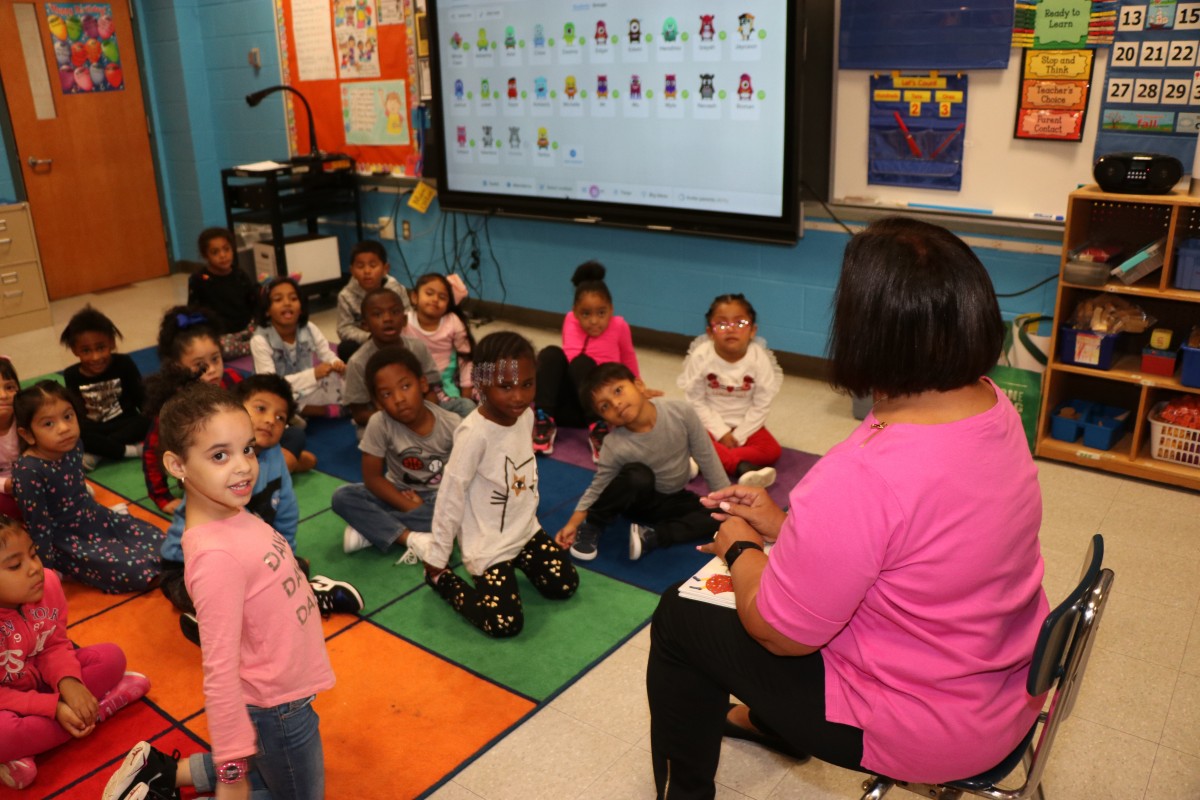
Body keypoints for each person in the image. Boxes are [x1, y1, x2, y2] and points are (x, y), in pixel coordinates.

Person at [646, 217, 1049, 798]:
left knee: (681, 619)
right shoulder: (991, 406)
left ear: (867, 332)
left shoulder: (864, 474)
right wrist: (788, 527)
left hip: (927, 725)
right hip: (1005, 687)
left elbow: (780, 633)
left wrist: (742, 545)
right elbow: (913, 543)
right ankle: (773, 722)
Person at [104, 382, 336, 800]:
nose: (244, 466)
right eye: (219, 455)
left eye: (246, 449)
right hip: (275, 706)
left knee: (268, 772)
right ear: (177, 465)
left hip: (279, 696)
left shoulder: (235, 513)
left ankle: (159, 774)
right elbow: (220, 675)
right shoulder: (215, 559)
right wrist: (230, 775)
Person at [403, 332, 579, 638]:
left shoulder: (524, 416)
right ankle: (442, 581)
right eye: (506, 387)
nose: (519, 397)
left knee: (564, 584)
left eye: (527, 384)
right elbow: (450, 495)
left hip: (523, 532)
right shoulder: (474, 434)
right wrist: (439, 556)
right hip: (487, 544)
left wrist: (530, 525)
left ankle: (520, 555)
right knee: (505, 623)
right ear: (482, 384)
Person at [159, 374, 362, 637]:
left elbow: (287, 510)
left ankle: (253, 615)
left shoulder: (274, 457)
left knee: (292, 567)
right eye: (260, 409)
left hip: (250, 560)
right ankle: (224, 623)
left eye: (280, 418)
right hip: (185, 569)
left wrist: (286, 558)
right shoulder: (209, 480)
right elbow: (213, 555)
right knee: (228, 591)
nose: (270, 420)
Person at [0, 516, 150, 790]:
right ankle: (98, 709)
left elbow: (55, 644)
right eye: (15, 565)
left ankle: (32, 745)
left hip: (41, 682)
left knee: (111, 657)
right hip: (6, 702)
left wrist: (69, 682)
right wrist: (53, 708)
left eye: (33, 554)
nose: (34, 568)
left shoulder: (47, 584)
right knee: (3, 737)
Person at [554, 363, 730, 562]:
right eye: (605, 406)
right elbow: (599, 486)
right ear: (605, 418)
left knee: (720, 516)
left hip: (673, 497)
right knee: (638, 475)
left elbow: (707, 458)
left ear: (639, 384)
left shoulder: (681, 412)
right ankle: (594, 526)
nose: (616, 404)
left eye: (618, 391)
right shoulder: (614, 444)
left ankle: (652, 537)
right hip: (637, 501)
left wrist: (728, 504)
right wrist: (573, 524)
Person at [12, 381, 161, 594]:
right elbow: (39, 526)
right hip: (65, 538)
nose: (64, 428)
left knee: (156, 539)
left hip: (93, 516)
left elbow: (79, 492)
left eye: (67, 416)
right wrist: (47, 569)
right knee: (131, 567)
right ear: (27, 435)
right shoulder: (29, 471)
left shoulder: (74, 446)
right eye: (48, 424)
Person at [332, 346, 461, 554]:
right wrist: (409, 506)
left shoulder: (452, 425)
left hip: (439, 497)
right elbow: (372, 478)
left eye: (406, 386)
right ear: (377, 403)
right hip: (396, 492)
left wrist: (422, 507)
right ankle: (409, 538)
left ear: (423, 384)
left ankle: (370, 529)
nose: (399, 399)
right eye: (386, 394)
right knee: (342, 496)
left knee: (460, 512)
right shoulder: (379, 423)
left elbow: (462, 482)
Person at [533, 260, 657, 459]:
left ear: (611, 309)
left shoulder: (619, 326)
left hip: (598, 408)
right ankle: (544, 421)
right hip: (565, 407)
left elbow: (628, 358)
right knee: (550, 353)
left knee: (583, 363)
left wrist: (638, 387)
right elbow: (563, 364)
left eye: (601, 313)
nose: (594, 321)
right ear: (575, 312)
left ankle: (598, 429)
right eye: (586, 314)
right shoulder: (568, 321)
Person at [143, 307, 248, 514]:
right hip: (199, 472)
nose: (212, 369)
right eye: (200, 365)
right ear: (176, 367)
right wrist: (162, 497)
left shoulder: (234, 382)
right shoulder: (175, 404)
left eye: (215, 359)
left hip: (236, 461)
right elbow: (151, 452)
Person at [677, 294, 782, 488]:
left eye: (740, 322)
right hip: (708, 425)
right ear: (710, 331)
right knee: (691, 435)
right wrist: (720, 432)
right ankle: (742, 468)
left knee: (772, 450)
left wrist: (739, 434)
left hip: (746, 425)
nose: (731, 329)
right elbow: (695, 400)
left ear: (752, 330)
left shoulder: (759, 359)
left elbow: (762, 404)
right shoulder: (701, 356)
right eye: (722, 324)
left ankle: (700, 459)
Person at [342, 288, 473, 435]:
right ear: (365, 325)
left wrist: (423, 417)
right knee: (367, 436)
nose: (387, 319)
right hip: (386, 418)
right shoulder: (358, 362)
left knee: (465, 406)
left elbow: (430, 392)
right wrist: (399, 418)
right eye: (377, 314)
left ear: (404, 320)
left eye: (395, 312)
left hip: (422, 410)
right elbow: (359, 414)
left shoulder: (418, 347)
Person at [60, 305, 150, 468]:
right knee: (76, 434)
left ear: (112, 343)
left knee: (148, 421)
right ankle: (131, 451)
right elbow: (77, 412)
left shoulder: (124, 363)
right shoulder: (71, 375)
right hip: (95, 429)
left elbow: (141, 397)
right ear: (75, 350)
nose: (95, 357)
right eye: (86, 351)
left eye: (101, 348)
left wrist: (152, 418)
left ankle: (99, 453)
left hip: (126, 423)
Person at [251, 276, 346, 418]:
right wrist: (313, 374)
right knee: (271, 399)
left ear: (301, 308)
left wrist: (336, 364)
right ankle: (317, 411)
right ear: (267, 311)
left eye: (293, 299)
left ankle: (298, 413)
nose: (287, 303)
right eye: (278, 300)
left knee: (343, 379)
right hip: (279, 390)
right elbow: (270, 384)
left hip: (307, 387)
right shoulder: (260, 340)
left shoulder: (308, 328)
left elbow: (325, 352)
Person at [187, 227, 259, 358]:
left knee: (272, 331)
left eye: (226, 249)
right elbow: (193, 311)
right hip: (222, 335)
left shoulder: (240, 275)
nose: (223, 255)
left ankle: (254, 344)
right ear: (205, 255)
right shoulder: (199, 279)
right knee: (219, 348)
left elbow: (253, 303)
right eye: (215, 252)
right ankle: (253, 346)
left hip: (247, 329)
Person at [335, 239, 411, 362]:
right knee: (345, 348)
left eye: (373, 265)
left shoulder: (396, 289)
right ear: (352, 270)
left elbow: (407, 315)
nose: (367, 271)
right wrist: (369, 336)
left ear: (385, 268)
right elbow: (344, 328)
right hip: (366, 341)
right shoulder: (345, 295)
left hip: (394, 336)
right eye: (360, 266)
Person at [405, 273, 475, 398]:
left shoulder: (453, 322)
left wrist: (466, 388)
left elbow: (465, 357)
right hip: (414, 380)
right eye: (429, 293)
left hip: (447, 379)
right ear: (414, 297)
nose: (435, 299)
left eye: (442, 297)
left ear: (448, 305)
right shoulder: (405, 322)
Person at [0, 357, 22, 521]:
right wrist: (6, 485)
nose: (3, 395)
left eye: (9, 387)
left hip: (32, 481)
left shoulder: (27, 420)